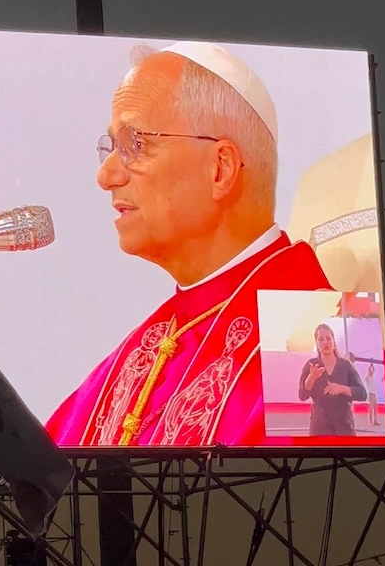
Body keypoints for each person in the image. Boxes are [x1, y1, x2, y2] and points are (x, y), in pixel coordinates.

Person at [45, 41, 333, 446]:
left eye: (135, 145)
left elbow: (325, 501)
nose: (106, 176)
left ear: (220, 169)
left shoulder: (320, 334)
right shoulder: (150, 340)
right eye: (110, 148)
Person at [297, 324, 367, 436]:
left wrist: (341, 389)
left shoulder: (346, 365)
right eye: (321, 339)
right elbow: (302, 395)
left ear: (334, 341)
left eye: (328, 338)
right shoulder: (311, 365)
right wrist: (311, 378)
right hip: (319, 430)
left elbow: (362, 394)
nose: (325, 342)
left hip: (344, 430)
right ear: (317, 343)